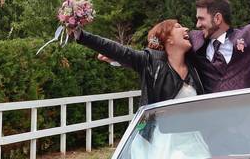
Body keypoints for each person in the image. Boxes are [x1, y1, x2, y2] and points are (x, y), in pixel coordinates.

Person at [72, 19, 204, 105]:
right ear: (168, 39)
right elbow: (118, 50)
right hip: (160, 138)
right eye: (178, 27)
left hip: (194, 138)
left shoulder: (196, 65)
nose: (186, 28)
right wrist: (80, 34)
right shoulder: (149, 61)